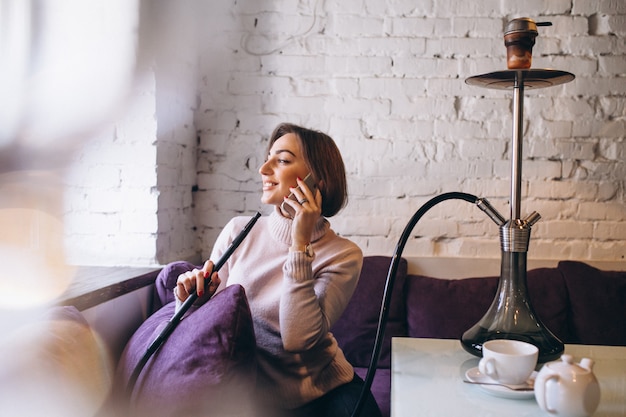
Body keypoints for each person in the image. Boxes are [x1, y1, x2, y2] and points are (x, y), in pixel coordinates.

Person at [174, 123, 382, 417]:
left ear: (318, 181)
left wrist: (300, 244)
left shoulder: (344, 255)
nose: (263, 168)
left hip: (327, 393)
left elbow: (297, 339)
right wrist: (192, 297)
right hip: (252, 400)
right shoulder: (237, 232)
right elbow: (209, 332)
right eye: (268, 157)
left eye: (282, 160)